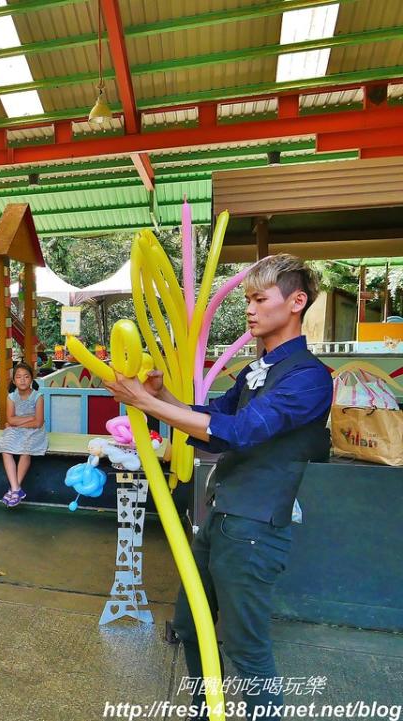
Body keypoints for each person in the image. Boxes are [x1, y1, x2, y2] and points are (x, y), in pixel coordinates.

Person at [105, 254, 332, 721]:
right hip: (220, 519)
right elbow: (213, 417)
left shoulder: (308, 377)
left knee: (247, 652)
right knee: (190, 629)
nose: (249, 309)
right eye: (247, 298)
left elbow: (239, 432)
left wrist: (146, 402)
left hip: (255, 530)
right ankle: (204, 711)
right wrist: (159, 395)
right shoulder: (257, 370)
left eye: (259, 299)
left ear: (296, 302)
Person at [0, 362, 47, 507]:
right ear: (14, 381)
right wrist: (29, 418)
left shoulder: (38, 396)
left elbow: (38, 423)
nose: (22, 380)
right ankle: (16, 489)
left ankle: (14, 489)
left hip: (35, 431)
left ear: (32, 379)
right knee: (5, 447)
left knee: (25, 449)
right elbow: (10, 419)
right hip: (17, 429)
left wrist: (17, 423)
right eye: (19, 377)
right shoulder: (11, 397)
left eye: (26, 377)